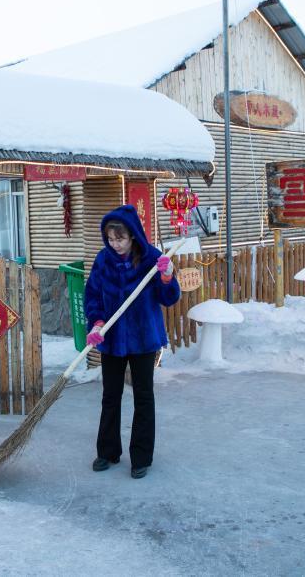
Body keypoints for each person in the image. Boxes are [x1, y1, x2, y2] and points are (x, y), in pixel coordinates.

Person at [83, 204, 179, 479]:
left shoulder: (151, 259)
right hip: (112, 339)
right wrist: (97, 323)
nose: (115, 245)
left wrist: (167, 275)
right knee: (110, 396)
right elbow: (92, 296)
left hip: (143, 338)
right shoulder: (103, 260)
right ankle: (107, 452)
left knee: (143, 397)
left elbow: (169, 298)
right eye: (111, 239)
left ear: (133, 235)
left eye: (120, 239)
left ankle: (141, 457)